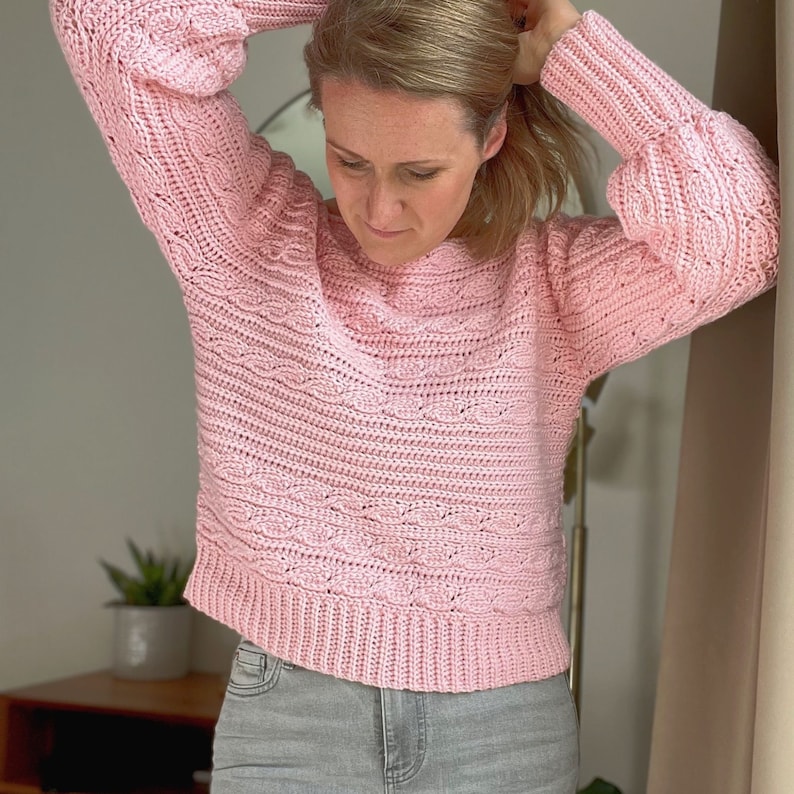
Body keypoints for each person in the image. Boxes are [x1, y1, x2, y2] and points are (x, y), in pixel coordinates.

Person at [50, 0, 779, 791]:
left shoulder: (552, 288)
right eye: (350, 158)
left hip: (502, 732)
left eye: (419, 172)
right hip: (293, 725)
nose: (379, 209)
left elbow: (741, 230)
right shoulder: (244, 243)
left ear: (490, 138)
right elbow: (112, 19)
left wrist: (573, 49)